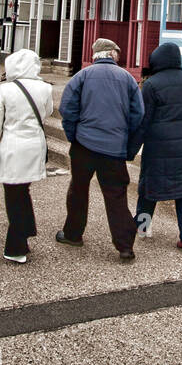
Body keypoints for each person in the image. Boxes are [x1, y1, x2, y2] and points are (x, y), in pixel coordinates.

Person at [56, 37, 143, 261]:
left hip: (84, 145)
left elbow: (67, 108)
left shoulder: (81, 76)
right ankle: (125, 246)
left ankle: (73, 234)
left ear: (95, 56)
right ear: (113, 55)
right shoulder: (127, 78)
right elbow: (138, 116)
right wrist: (127, 146)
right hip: (114, 149)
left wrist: (73, 136)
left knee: (78, 190)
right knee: (116, 195)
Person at [127, 43, 182, 251]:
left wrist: (130, 150)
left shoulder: (152, 84)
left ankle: (142, 226)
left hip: (160, 145)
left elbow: (143, 121)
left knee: (149, 188)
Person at [0, 48, 53, 264]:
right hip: (35, 144)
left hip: (13, 144)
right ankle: (26, 232)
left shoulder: (5, 90)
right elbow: (47, 113)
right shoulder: (45, 88)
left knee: (13, 194)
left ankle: (16, 245)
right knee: (22, 190)